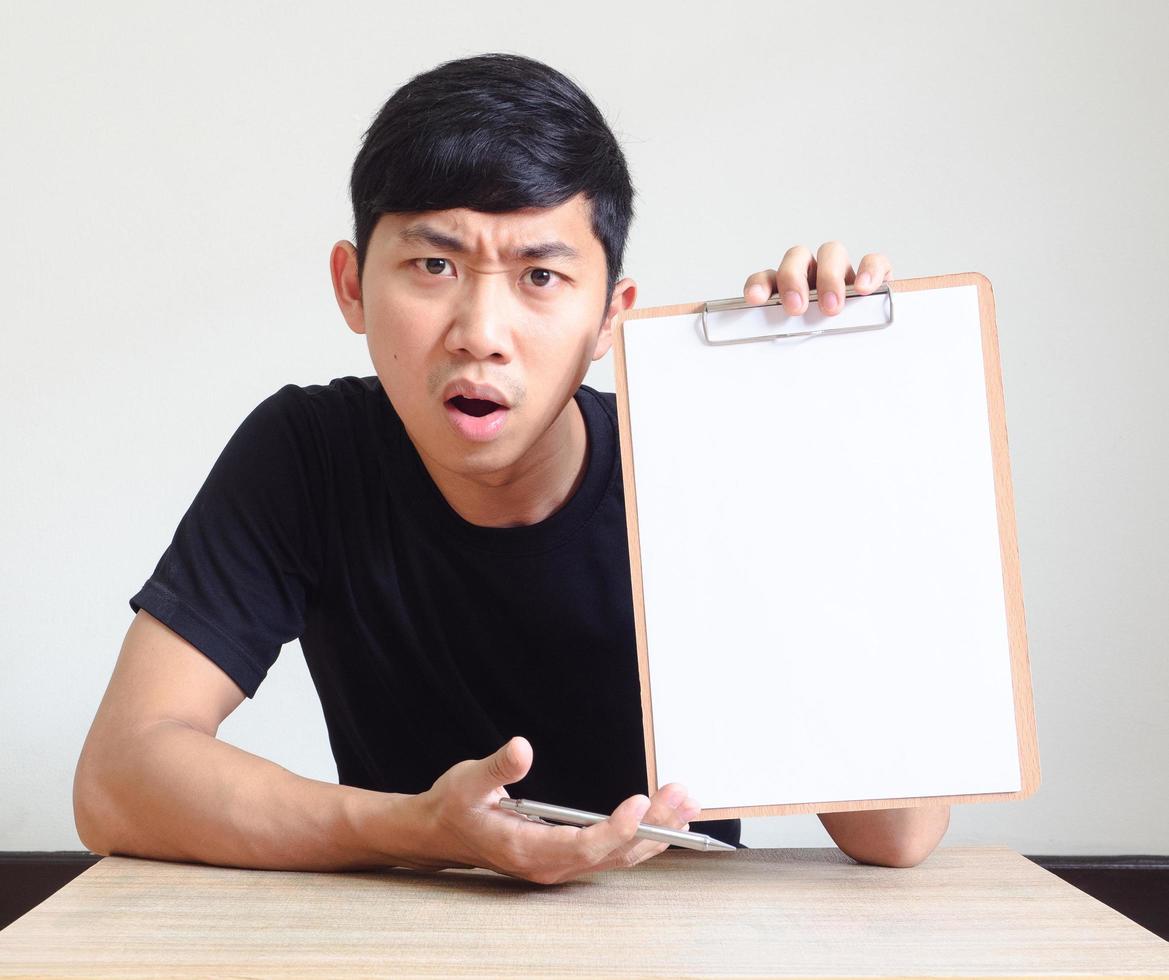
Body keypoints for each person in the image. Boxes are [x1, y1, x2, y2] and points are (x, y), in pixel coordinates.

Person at [74, 52, 945, 886]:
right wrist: (411, 831)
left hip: (677, 937)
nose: (479, 330)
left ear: (610, 316)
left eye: (539, 275)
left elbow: (899, 834)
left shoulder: (688, 466)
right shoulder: (308, 453)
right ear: (350, 285)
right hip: (404, 936)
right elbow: (118, 777)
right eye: (434, 265)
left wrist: (819, 437)